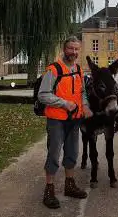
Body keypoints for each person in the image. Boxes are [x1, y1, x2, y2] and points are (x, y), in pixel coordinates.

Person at [38, 36, 93, 209]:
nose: (74, 52)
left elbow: (82, 91)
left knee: (72, 153)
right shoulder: (53, 70)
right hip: (57, 120)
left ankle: (69, 185)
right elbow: (43, 94)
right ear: (64, 49)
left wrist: (84, 105)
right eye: (71, 49)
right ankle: (49, 189)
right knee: (54, 154)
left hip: (74, 120)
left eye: (77, 49)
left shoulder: (78, 69)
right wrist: (64, 103)